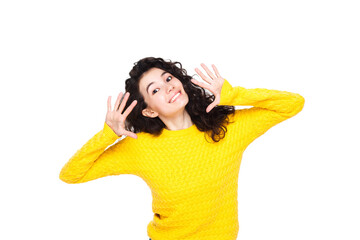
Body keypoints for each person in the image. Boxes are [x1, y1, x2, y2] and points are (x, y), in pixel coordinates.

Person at [59, 57, 305, 240]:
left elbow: (293, 104)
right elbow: (71, 174)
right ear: (149, 110)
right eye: (155, 90)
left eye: (168, 78)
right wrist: (107, 135)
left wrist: (234, 94)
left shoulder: (228, 128)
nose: (168, 87)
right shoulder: (140, 147)